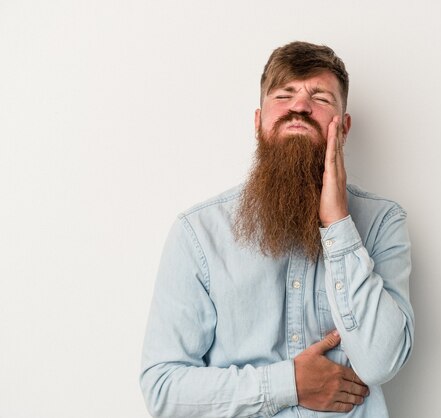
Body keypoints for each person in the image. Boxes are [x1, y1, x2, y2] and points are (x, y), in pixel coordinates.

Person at [140, 41, 414, 418]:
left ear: (344, 127)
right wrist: (290, 384)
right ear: (258, 123)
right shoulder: (198, 234)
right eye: (284, 95)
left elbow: (381, 361)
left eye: (320, 97)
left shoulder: (383, 222)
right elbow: (164, 390)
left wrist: (337, 225)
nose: (300, 106)